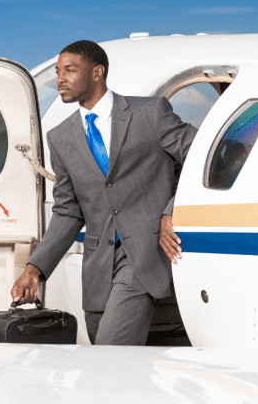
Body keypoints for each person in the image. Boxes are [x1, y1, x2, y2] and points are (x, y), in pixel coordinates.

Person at [11, 40, 197, 345]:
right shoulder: (60, 138)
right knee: (108, 362)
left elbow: (202, 157)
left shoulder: (149, 113)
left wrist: (172, 211)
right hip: (98, 268)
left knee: (110, 351)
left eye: (70, 70)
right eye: (58, 71)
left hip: (143, 257)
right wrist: (35, 269)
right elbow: (68, 212)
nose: (60, 79)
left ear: (98, 73)